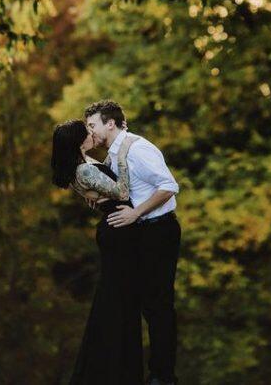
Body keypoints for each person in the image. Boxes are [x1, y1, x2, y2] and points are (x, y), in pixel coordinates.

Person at [85, 100, 181, 385]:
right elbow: (128, 190)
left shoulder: (139, 149)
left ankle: (163, 376)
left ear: (110, 123)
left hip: (158, 231)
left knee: (158, 305)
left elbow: (169, 186)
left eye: (92, 125)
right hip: (138, 235)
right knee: (136, 303)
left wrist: (136, 213)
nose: (90, 132)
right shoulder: (112, 155)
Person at [51, 119, 144, 385]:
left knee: (121, 298)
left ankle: (120, 370)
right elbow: (122, 191)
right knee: (116, 299)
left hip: (117, 226)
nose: (92, 134)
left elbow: (105, 193)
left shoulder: (84, 165)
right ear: (79, 141)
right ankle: (111, 372)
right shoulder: (84, 171)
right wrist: (124, 156)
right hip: (119, 230)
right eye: (87, 132)